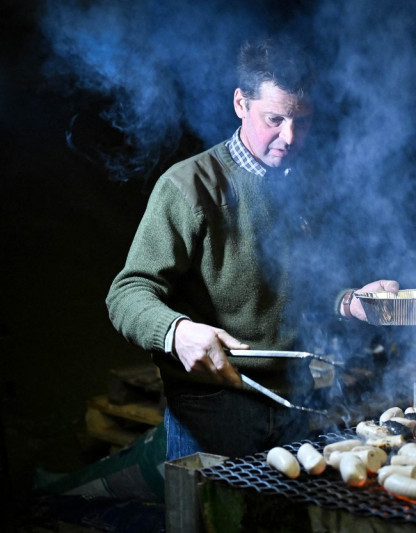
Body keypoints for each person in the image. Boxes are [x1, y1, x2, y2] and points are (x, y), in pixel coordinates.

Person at [106, 37, 399, 462]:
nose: (290, 136)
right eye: (274, 119)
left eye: (303, 120)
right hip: (211, 407)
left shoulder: (306, 185)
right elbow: (127, 293)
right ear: (240, 104)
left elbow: (302, 284)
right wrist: (177, 332)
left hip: (295, 402)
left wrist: (349, 301)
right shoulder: (190, 186)